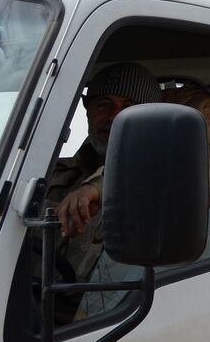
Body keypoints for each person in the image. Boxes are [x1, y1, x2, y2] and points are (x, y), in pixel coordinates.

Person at [46, 63, 163, 280]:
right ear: (87, 111)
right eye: (104, 105)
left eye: (130, 107)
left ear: (152, 119)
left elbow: (153, 173)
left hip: (122, 310)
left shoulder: (171, 172)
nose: (114, 116)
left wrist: (97, 187)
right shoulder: (52, 174)